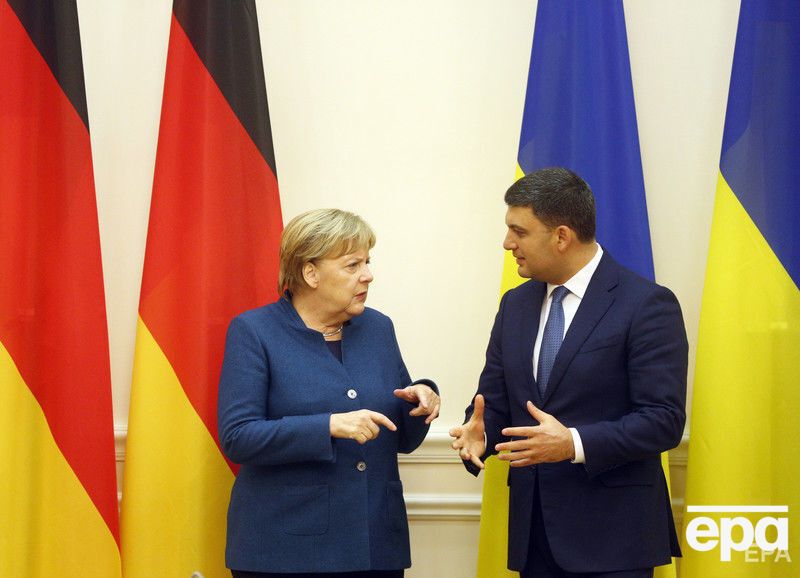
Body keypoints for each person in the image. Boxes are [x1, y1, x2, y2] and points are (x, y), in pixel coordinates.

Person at [450, 167, 687, 578]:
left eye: (519, 232)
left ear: (561, 236)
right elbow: (496, 403)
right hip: (534, 539)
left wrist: (572, 444)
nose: (507, 243)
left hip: (614, 542)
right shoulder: (515, 305)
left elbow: (663, 421)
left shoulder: (646, 305)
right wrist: (480, 434)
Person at [218, 208, 440, 578]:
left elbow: (401, 436)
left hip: (375, 545)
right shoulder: (254, 331)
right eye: (353, 265)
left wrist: (423, 398)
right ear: (310, 273)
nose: (368, 275)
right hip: (285, 552)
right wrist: (329, 425)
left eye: (367, 262)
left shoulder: (378, 328)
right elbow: (238, 437)